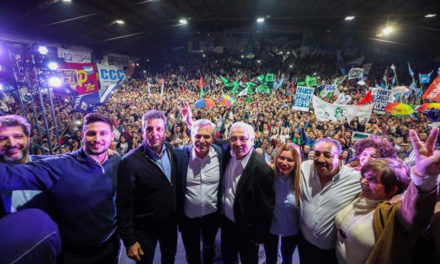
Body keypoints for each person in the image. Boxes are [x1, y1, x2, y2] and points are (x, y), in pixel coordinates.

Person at [0, 113, 121, 264]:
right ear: (82, 136)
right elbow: (9, 174)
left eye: (103, 133)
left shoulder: (116, 161)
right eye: (91, 133)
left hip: (111, 245)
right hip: (74, 255)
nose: (97, 139)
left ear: (112, 137)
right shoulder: (60, 166)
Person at [335, 128, 440, 264]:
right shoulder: (361, 194)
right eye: (364, 176)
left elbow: (413, 216)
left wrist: (424, 179)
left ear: (392, 189)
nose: (363, 181)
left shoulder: (390, 210)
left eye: (373, 179)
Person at [117, 109, 177, 264]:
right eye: (149, 129)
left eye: (159, 129)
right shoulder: (129, 162)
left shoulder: (171, 150)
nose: (154, 133)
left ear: (165, 131)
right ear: (143, 131)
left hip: (170, 224)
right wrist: (129, 240)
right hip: (144, 229)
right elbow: (124, 204)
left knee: (169, 258)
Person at [0, 115, 61, 263]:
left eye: (17, 136)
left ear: (29, 137)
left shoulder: (50, 166)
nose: (11, 143)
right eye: (3, 138)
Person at [298, 138, 361, 264]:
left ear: (341, 157)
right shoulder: (304, 168)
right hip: (303, 243)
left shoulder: (355, 179)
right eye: (317, 154)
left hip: (331, 252)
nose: (321, 160)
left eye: (328, 155)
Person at [221, 122, 275, 264]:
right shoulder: (228, 156)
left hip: (248, 233)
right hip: (227, 226)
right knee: (228, 259)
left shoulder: (262, 170)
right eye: (233, 138)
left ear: (252, 140)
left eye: (243, 139)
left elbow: (266, 208)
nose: (237, 143)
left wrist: (258, 236)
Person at [174, 119, 223, 264]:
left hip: (212, 216)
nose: (202, 140)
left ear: (213, 138)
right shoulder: (179, 156)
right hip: (188, 218)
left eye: (206, 136)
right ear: (191, 136)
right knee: (192, 253)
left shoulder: (220, 154)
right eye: (197, 136)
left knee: (209, 249)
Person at [264, 143, 301, 264]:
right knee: (270, 259)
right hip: (270, 228)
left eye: (289, 160)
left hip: (292, 230)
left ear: (296, 162)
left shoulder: (302, 179)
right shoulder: (269, 174)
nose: (284, 163)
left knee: (287, 258)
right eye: (281, 158)